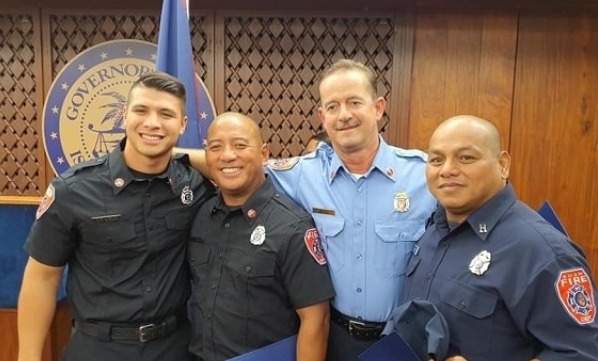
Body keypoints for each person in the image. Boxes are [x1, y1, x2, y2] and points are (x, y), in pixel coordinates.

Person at [179, 59, 437, 360]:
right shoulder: (303, 174)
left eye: (354, 102)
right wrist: (165, 154)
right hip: (336, 340)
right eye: (332, 106)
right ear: (321, 117)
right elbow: (234, 164)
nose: (344, 115)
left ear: (378, 108)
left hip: (400, 342)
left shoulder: (425, 176)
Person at [18, 72, 216, 361]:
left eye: (166, 114)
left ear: (183, 125)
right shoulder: (73, 190)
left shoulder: (192, 185)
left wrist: (174, 152)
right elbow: (42, 278)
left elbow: (238, 168)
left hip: (174, 347)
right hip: (98, 348)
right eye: (141, 110)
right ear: (124, 116)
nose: (152, 122)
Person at [404, 115, 598, 361]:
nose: (447, 170)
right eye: (436, 159)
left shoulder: (541, 251)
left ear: (503, 164)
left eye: (466, 158)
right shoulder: (434, 230)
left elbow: (588, 355)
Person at [188, 112, 334, 361]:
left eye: (240, 145)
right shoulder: (201, 214)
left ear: (264, 154)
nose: (227, 155)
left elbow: (316, 320)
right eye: (215, 147)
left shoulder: (292, 226)